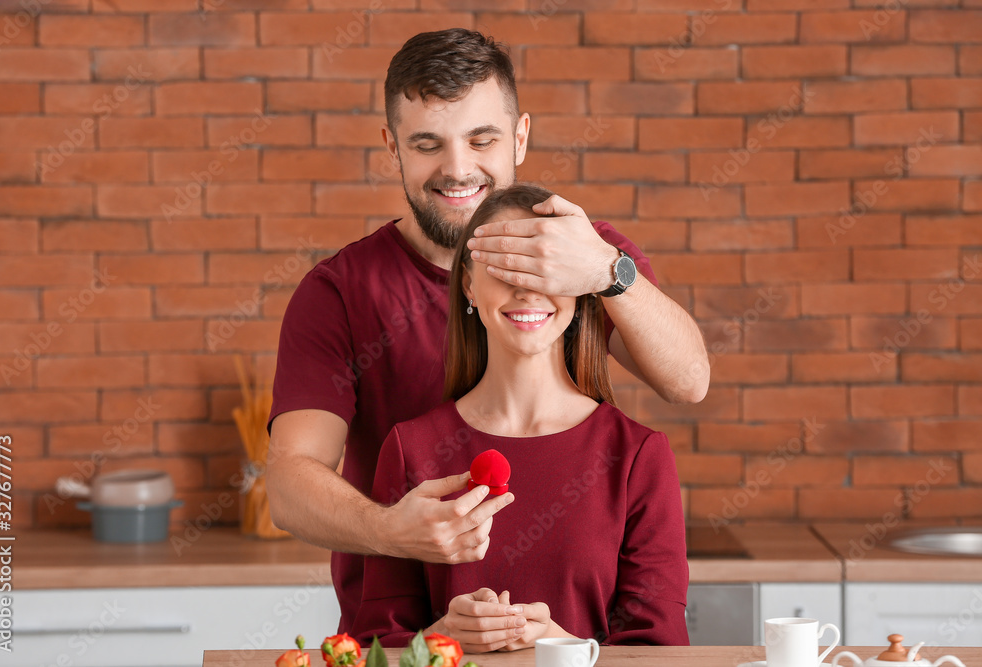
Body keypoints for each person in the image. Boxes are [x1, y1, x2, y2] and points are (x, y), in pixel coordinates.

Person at [266, 28, 708, 636]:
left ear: (519, 137)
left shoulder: (590, 255)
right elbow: (290, 484)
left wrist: (608, 271)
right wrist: (394, 531)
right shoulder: (341, 290)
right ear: (392, 146)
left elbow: (688, 382)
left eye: (482, 139)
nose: (457, 169)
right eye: (427, 144)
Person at [350, 183, 689, 651]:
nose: (526, 289)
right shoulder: (410, 448)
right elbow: (373, 646)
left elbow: (663, 650)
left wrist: (566, 648)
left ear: (579, 286)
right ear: (469, 283)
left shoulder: (637, 456)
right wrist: (437, 639)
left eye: (544, 269)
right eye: (505, 265)